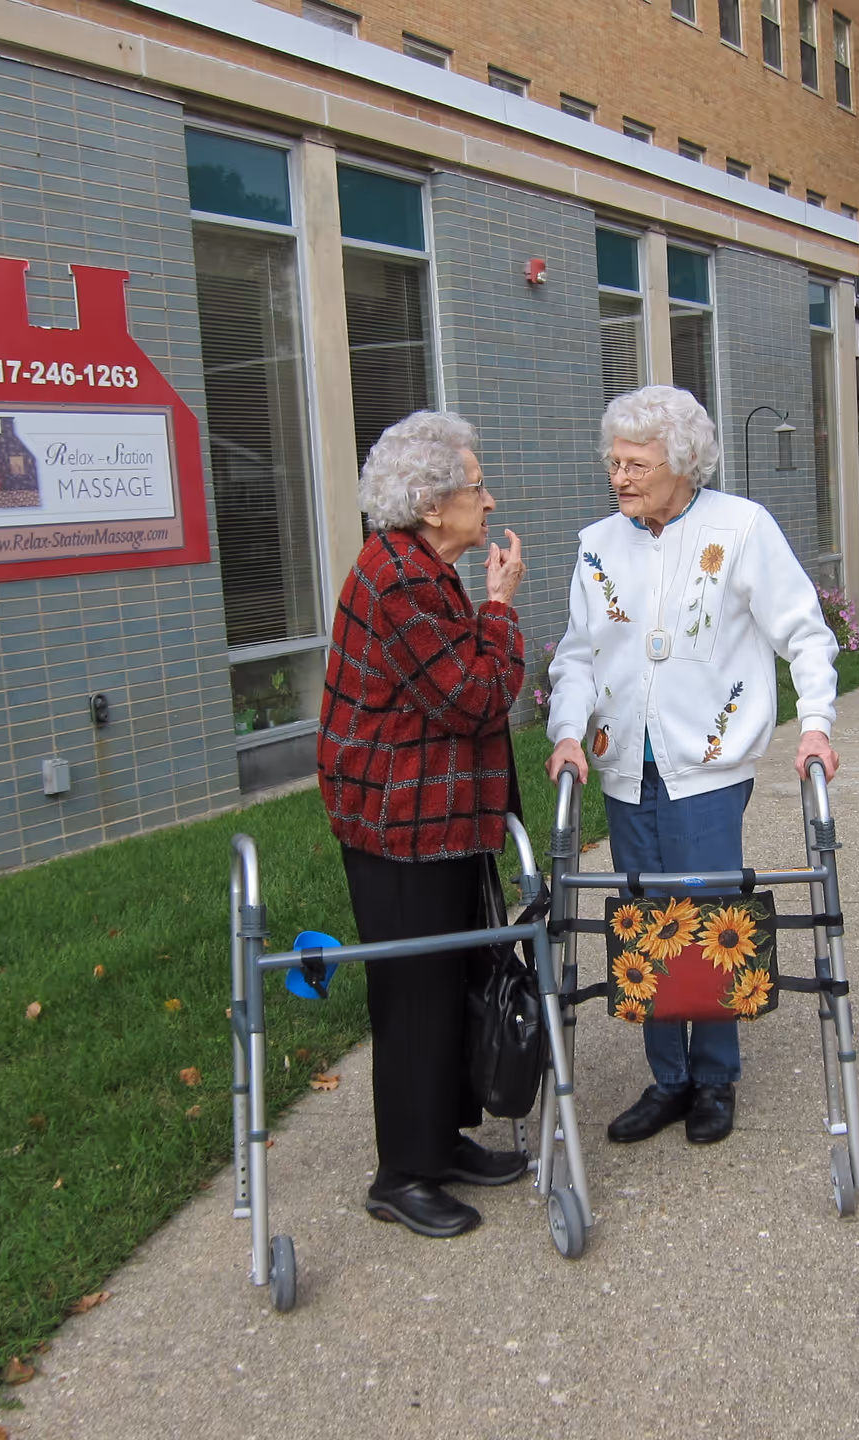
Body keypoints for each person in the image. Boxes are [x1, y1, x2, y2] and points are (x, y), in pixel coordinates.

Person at [545, 385, 841, 1147]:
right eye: (614, 463)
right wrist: (568, 732)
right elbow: (576, 656)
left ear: (681, 463)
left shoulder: (740, 529)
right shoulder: (598, 545)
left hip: (708, 761)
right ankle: (666, 1078)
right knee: (642, 914)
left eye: (636, 463)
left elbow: (804, 634)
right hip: (621, 762)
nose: (620, 477)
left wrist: (816, 725)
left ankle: (715, 1077)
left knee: (709, 915)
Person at [317, 410, 529, 1239]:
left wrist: (482, 613)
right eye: (477, 487)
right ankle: (401, 1175)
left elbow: (459, 686)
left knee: (450, 985)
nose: (489, 498)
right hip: (397, 827)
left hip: (431, 822)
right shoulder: (400, 578)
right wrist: (501, 607)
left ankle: (439, 1142)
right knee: (413, 996)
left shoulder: (418, 569)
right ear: (433, 505)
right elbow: (474, 696)